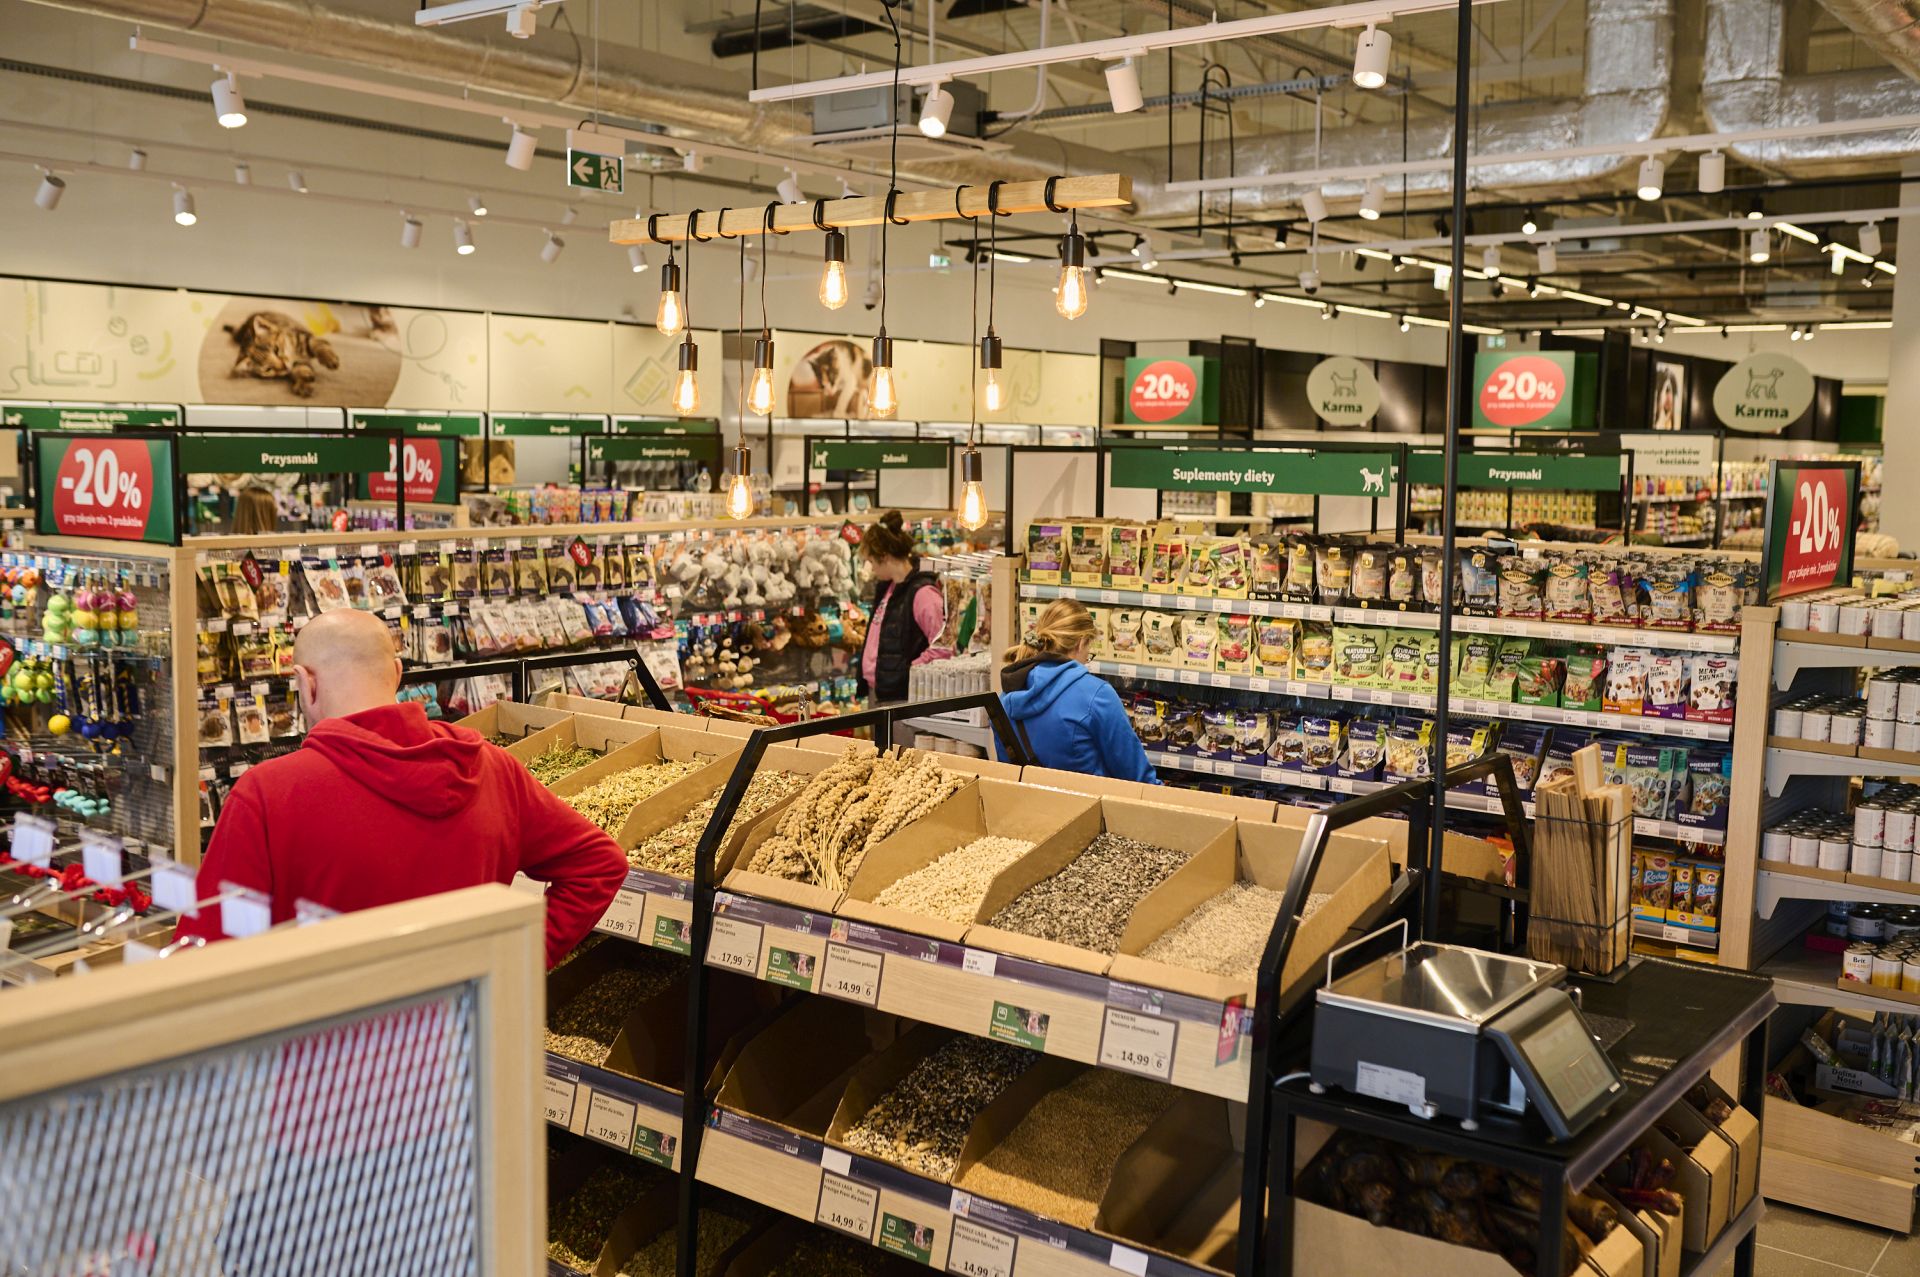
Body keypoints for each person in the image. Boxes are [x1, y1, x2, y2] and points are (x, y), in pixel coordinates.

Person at [174, 609, 626, 967]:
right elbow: (599, 864)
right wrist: (512, 964)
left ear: (305, 683)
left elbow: (202, 959)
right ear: (396, 673)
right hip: (467, 1044)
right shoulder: (491, 768)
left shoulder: (267, 794)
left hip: (325, 1052)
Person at [997, 599, 1159, 784]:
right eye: (1089, 650)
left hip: (1027, 802)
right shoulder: (1097, 696)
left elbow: (1007, 774)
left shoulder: (1006, 699)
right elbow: (1137, 777)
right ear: (1081, 643)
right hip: (1086, 801)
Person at [857, 510, 946, 702]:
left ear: (884, 556)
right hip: (881, 693)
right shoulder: (888, 588)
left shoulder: (923, 594)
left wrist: (908, 671)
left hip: (903, 698)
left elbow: (943, 646)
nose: (871, 568)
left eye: (871, 561)